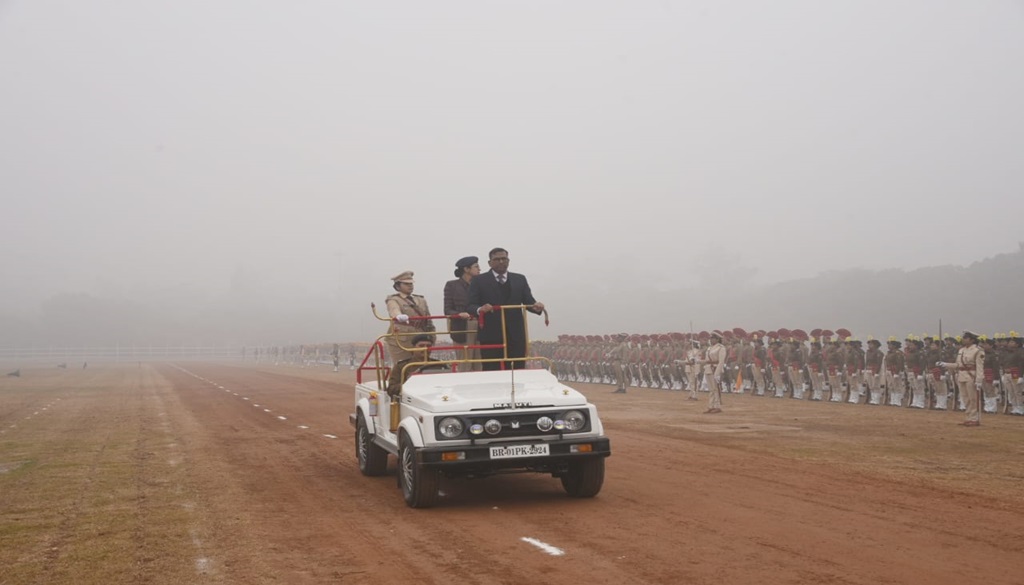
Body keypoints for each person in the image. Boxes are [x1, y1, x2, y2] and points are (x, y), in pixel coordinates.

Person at [467, 248, 545, 371]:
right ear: (489, 262)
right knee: (491, 371)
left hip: (516, 334)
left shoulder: (519, 279)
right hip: (490, 335)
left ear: (508, 260)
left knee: (517, 371)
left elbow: (529, 302)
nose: (501, 262)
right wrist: (480, 309)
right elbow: (470, 305)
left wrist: (537, 307)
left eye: (504, 259)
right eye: (497, 259)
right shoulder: (479, 280)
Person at [384, 271, 436, 366]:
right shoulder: (394, 299)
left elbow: (428, 320)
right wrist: (398, 316)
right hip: (401, 340)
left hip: (421, 337)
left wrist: (432, 336)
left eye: (411, 283)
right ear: (398, 286)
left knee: (421, 365)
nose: (410, 286)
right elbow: (394, 309)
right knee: (402, 366)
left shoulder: (420, 300)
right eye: (406, 284)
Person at [938, 331, 985, 426]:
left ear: (972, 339)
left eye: (965, 338)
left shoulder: (977, 350)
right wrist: (946, 364)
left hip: (971, 375)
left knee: (973, 398)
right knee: (965, 398)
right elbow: (958, 365)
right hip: (961, 375)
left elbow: (980, 366)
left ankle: (974, 418)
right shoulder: (961, 350)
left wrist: (979, 380)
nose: (963, 340)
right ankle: (968, 417)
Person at [443, 256, 482, 371]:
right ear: (466, 269)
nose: (479, 269)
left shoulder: (480, 285)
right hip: (463, 327)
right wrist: (459, 314)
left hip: (481, 326)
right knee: (465, 363)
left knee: (480, 362)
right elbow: (447, 310)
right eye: (476, 267)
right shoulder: (452, 285)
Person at [700, 332, 727, 413]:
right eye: (710, 338)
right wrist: (698, 361)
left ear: (717, 339)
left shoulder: (721, 348)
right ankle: (711, 406)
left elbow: (721, 361)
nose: (711, 340)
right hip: (708, 368)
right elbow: (707, 360)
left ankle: (717, 406)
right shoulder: (710, 348)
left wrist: (717, 373)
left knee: (716, 389)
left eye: (712, 338)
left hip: (715, 369)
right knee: (711, 389)